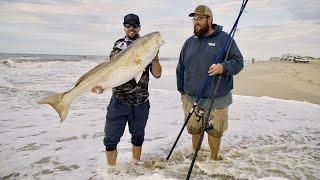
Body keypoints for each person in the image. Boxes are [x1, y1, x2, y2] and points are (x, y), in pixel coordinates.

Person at [92, 13, 162, 168]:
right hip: (119, 101)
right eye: (128, 25)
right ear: (124, 27)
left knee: (138, 138)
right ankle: (111, 173)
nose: (132, 28)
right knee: (110, 140)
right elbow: (111, 72)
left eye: (135, 25)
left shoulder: (147, 47)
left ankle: (136, 167)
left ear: (139, 27)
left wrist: (155, 57)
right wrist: (101, 85)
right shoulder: (118, 46)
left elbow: (157, 74)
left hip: (141, 102)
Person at [176, 5, 243, 160]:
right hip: (192, 98)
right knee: (195, 130)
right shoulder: (189, 42)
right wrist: (182, 92)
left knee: (215, 132)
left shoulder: (224, 39)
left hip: (217, 99)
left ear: (210, 19)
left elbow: (238, 62)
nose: (196, 22)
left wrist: (223, 67)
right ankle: (196, 157)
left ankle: (213, 160)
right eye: (194, 19)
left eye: (200, 18)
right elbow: (180, 67)